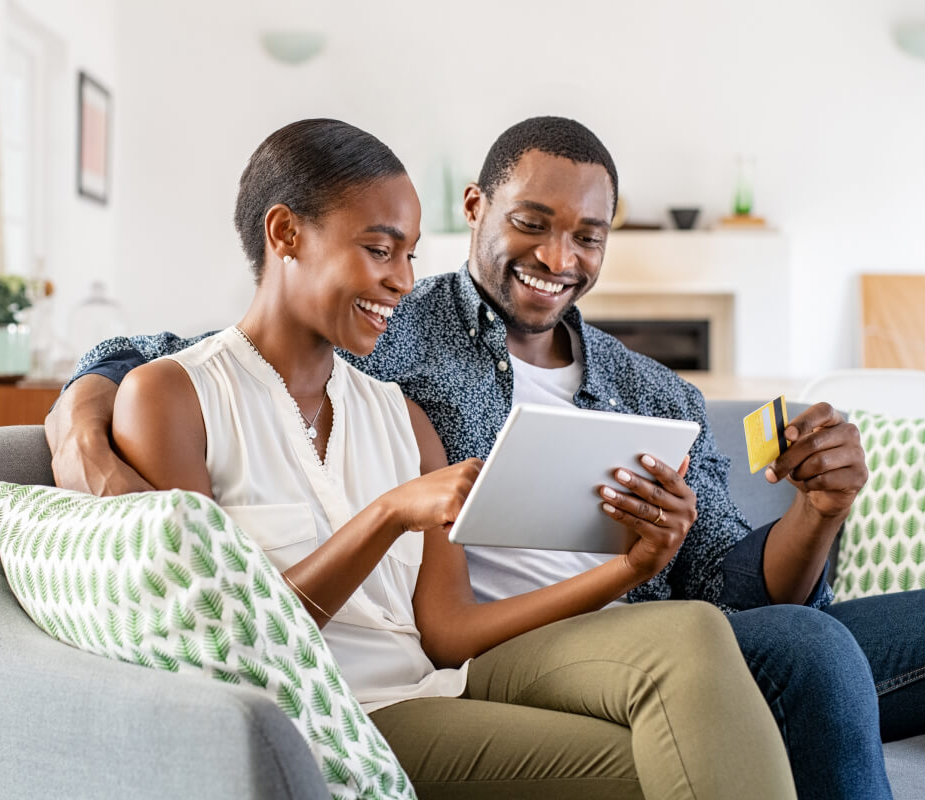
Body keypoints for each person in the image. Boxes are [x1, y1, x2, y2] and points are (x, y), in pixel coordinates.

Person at [48, 116, 925, 800]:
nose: (559, 256)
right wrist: (86, 404)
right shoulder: (408, 331)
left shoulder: (651, 390)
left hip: (661, 629)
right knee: (804, 647)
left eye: (589, 234)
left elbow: (727, 584)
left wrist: (818, 509)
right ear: (478, 212)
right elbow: (200, 348)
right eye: (532, 222)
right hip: (513, 658)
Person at [101, 117, 796, 800]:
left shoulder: (401, 417)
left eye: (408, 255)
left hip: (436, 688)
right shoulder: (171, 398)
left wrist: (631, 567)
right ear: (285, 234)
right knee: (669, 761)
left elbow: (448, 634)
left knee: (694, 660)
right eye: (379, 250)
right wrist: (386, 514)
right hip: (333, 722)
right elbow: (225, 646)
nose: (404, 281)